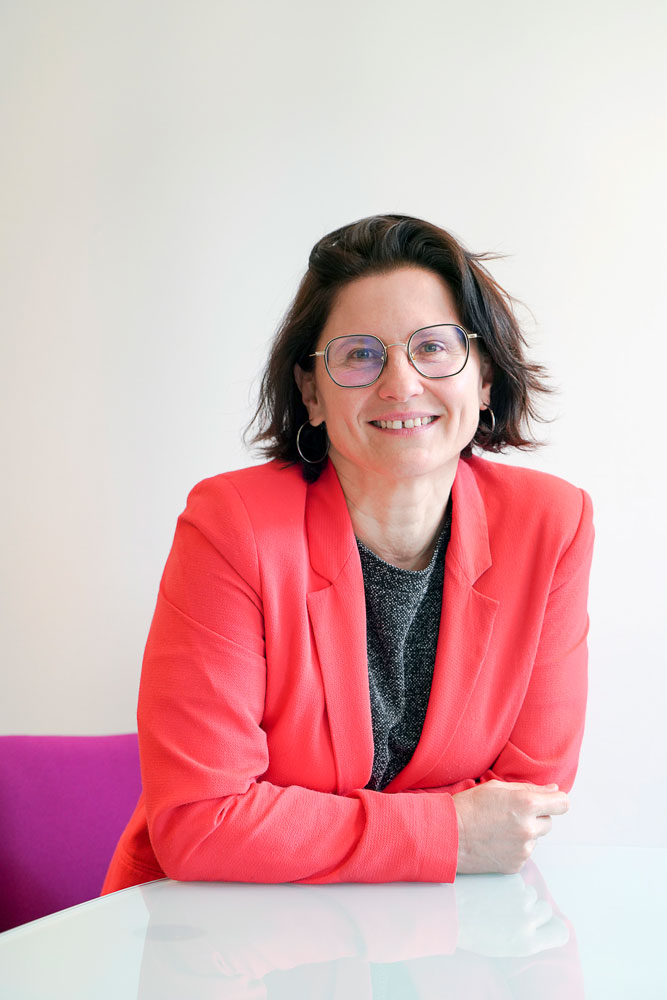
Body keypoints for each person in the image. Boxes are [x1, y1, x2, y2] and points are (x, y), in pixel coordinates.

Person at [103, 214, 593, 892]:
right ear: (311, 392)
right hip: (225, 927)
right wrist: (448, 829)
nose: (400, 384)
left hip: (443, 926)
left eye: (433, 347)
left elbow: (524, 802)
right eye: (360, 355)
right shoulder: (231, 526)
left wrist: (290, 824)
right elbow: (203, 822)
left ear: (483, 378)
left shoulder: (551, 524)